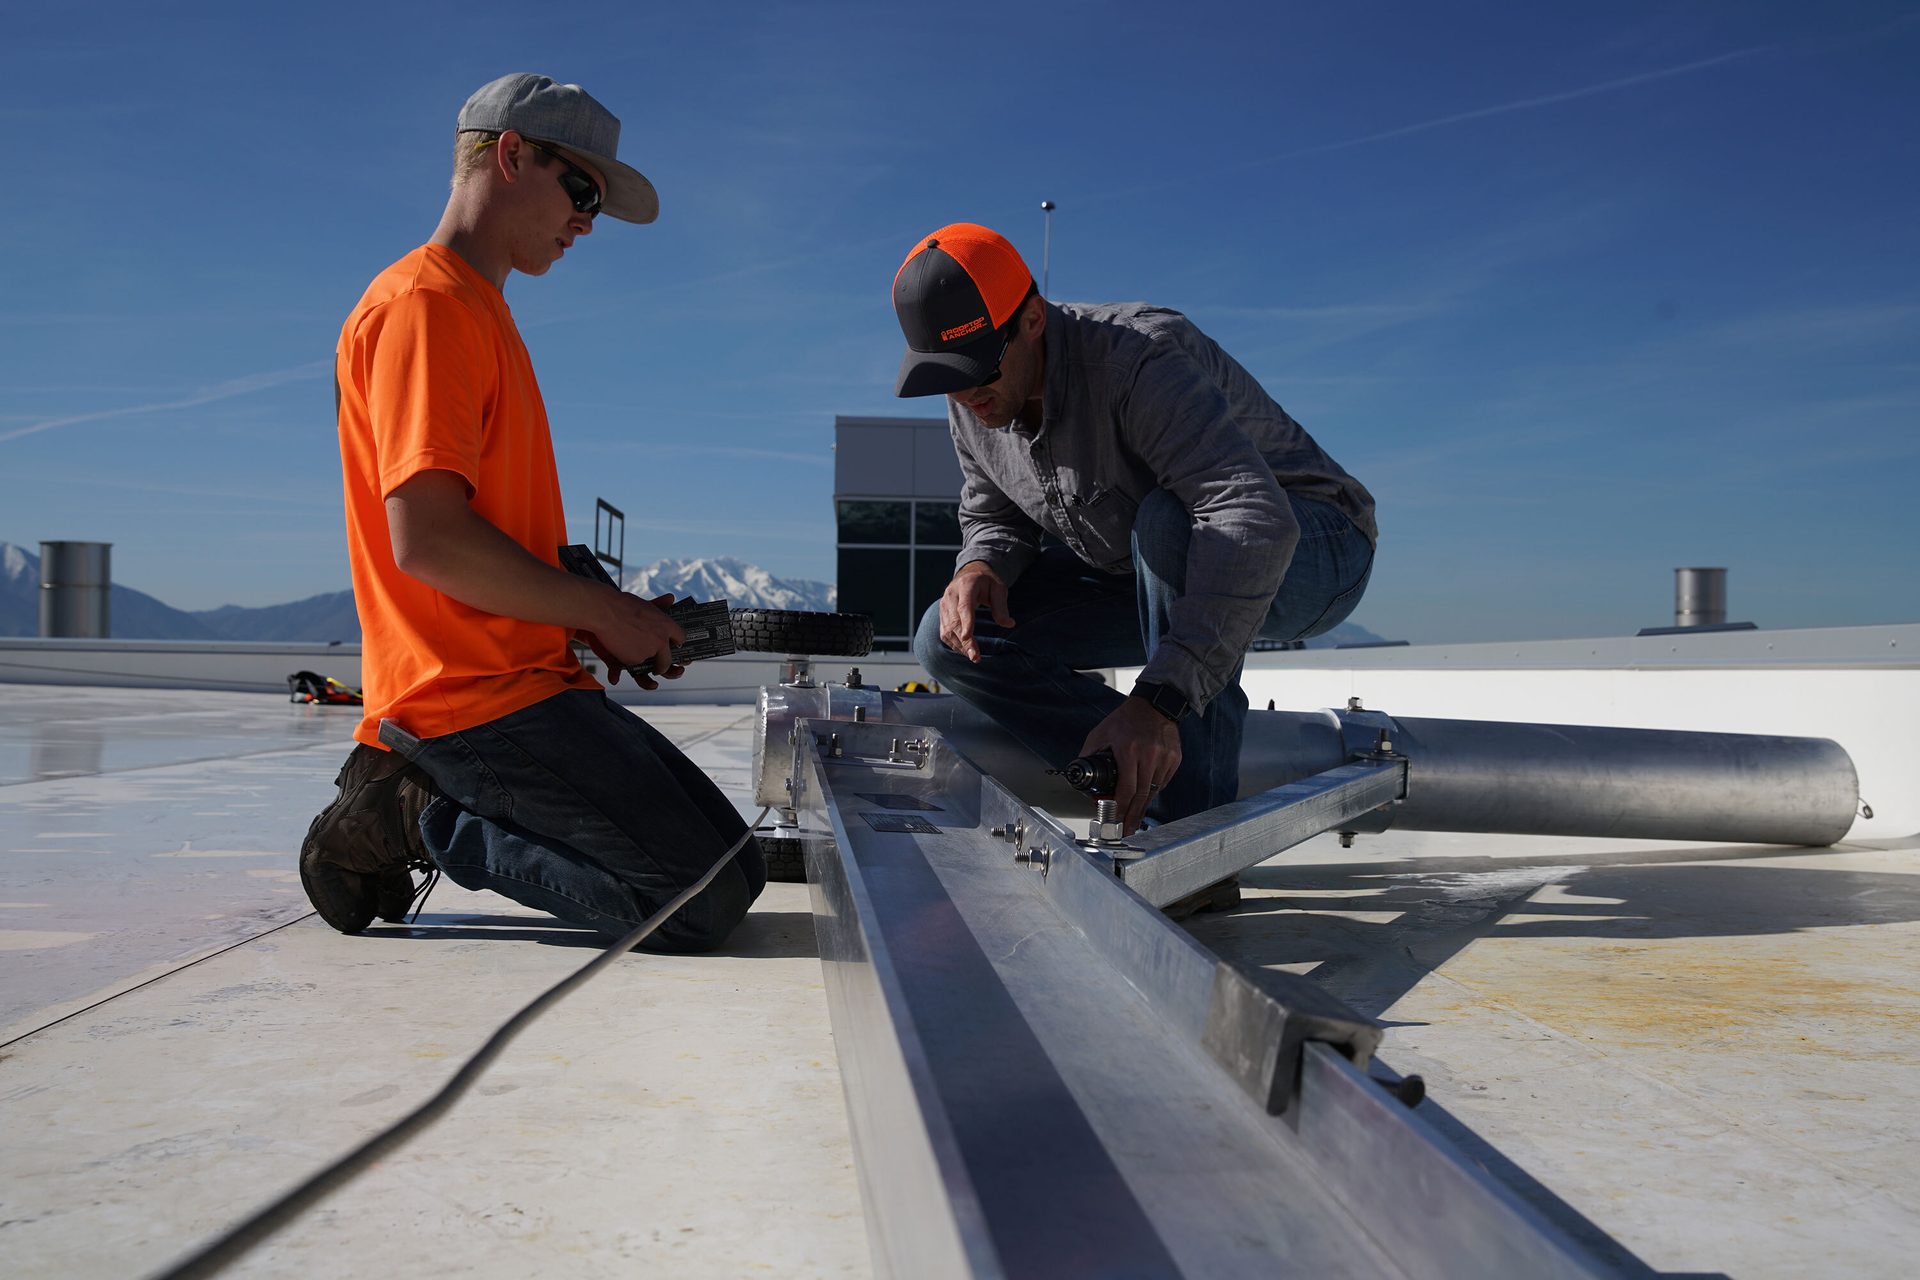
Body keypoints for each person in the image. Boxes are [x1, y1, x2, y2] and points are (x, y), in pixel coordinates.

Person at [298, 73, 764, 952]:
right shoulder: (425, 307)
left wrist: (598, 616)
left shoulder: (480, 312)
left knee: (732, 867)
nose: (587, 221)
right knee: (693, 902)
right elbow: (428, 541)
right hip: (462, 699)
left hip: (528, 681)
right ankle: (409, 812)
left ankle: (417, 794)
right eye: (581, 190)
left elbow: (492, 536)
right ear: (510, 155)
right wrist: (601, 610)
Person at [894, 222, 1378, 858]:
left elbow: (1250, 517)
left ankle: (1191, 844)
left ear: (1032, 319)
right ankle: (1142, 766)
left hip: (1312, 547)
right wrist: (981, 563)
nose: (963, 395)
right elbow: (995, 512)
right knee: (949, 636)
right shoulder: (973, 396)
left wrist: (1158, 698)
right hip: (1146, 565)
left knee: (1167, 523)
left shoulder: (1137, 358)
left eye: (977, 367)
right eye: (944, 377)